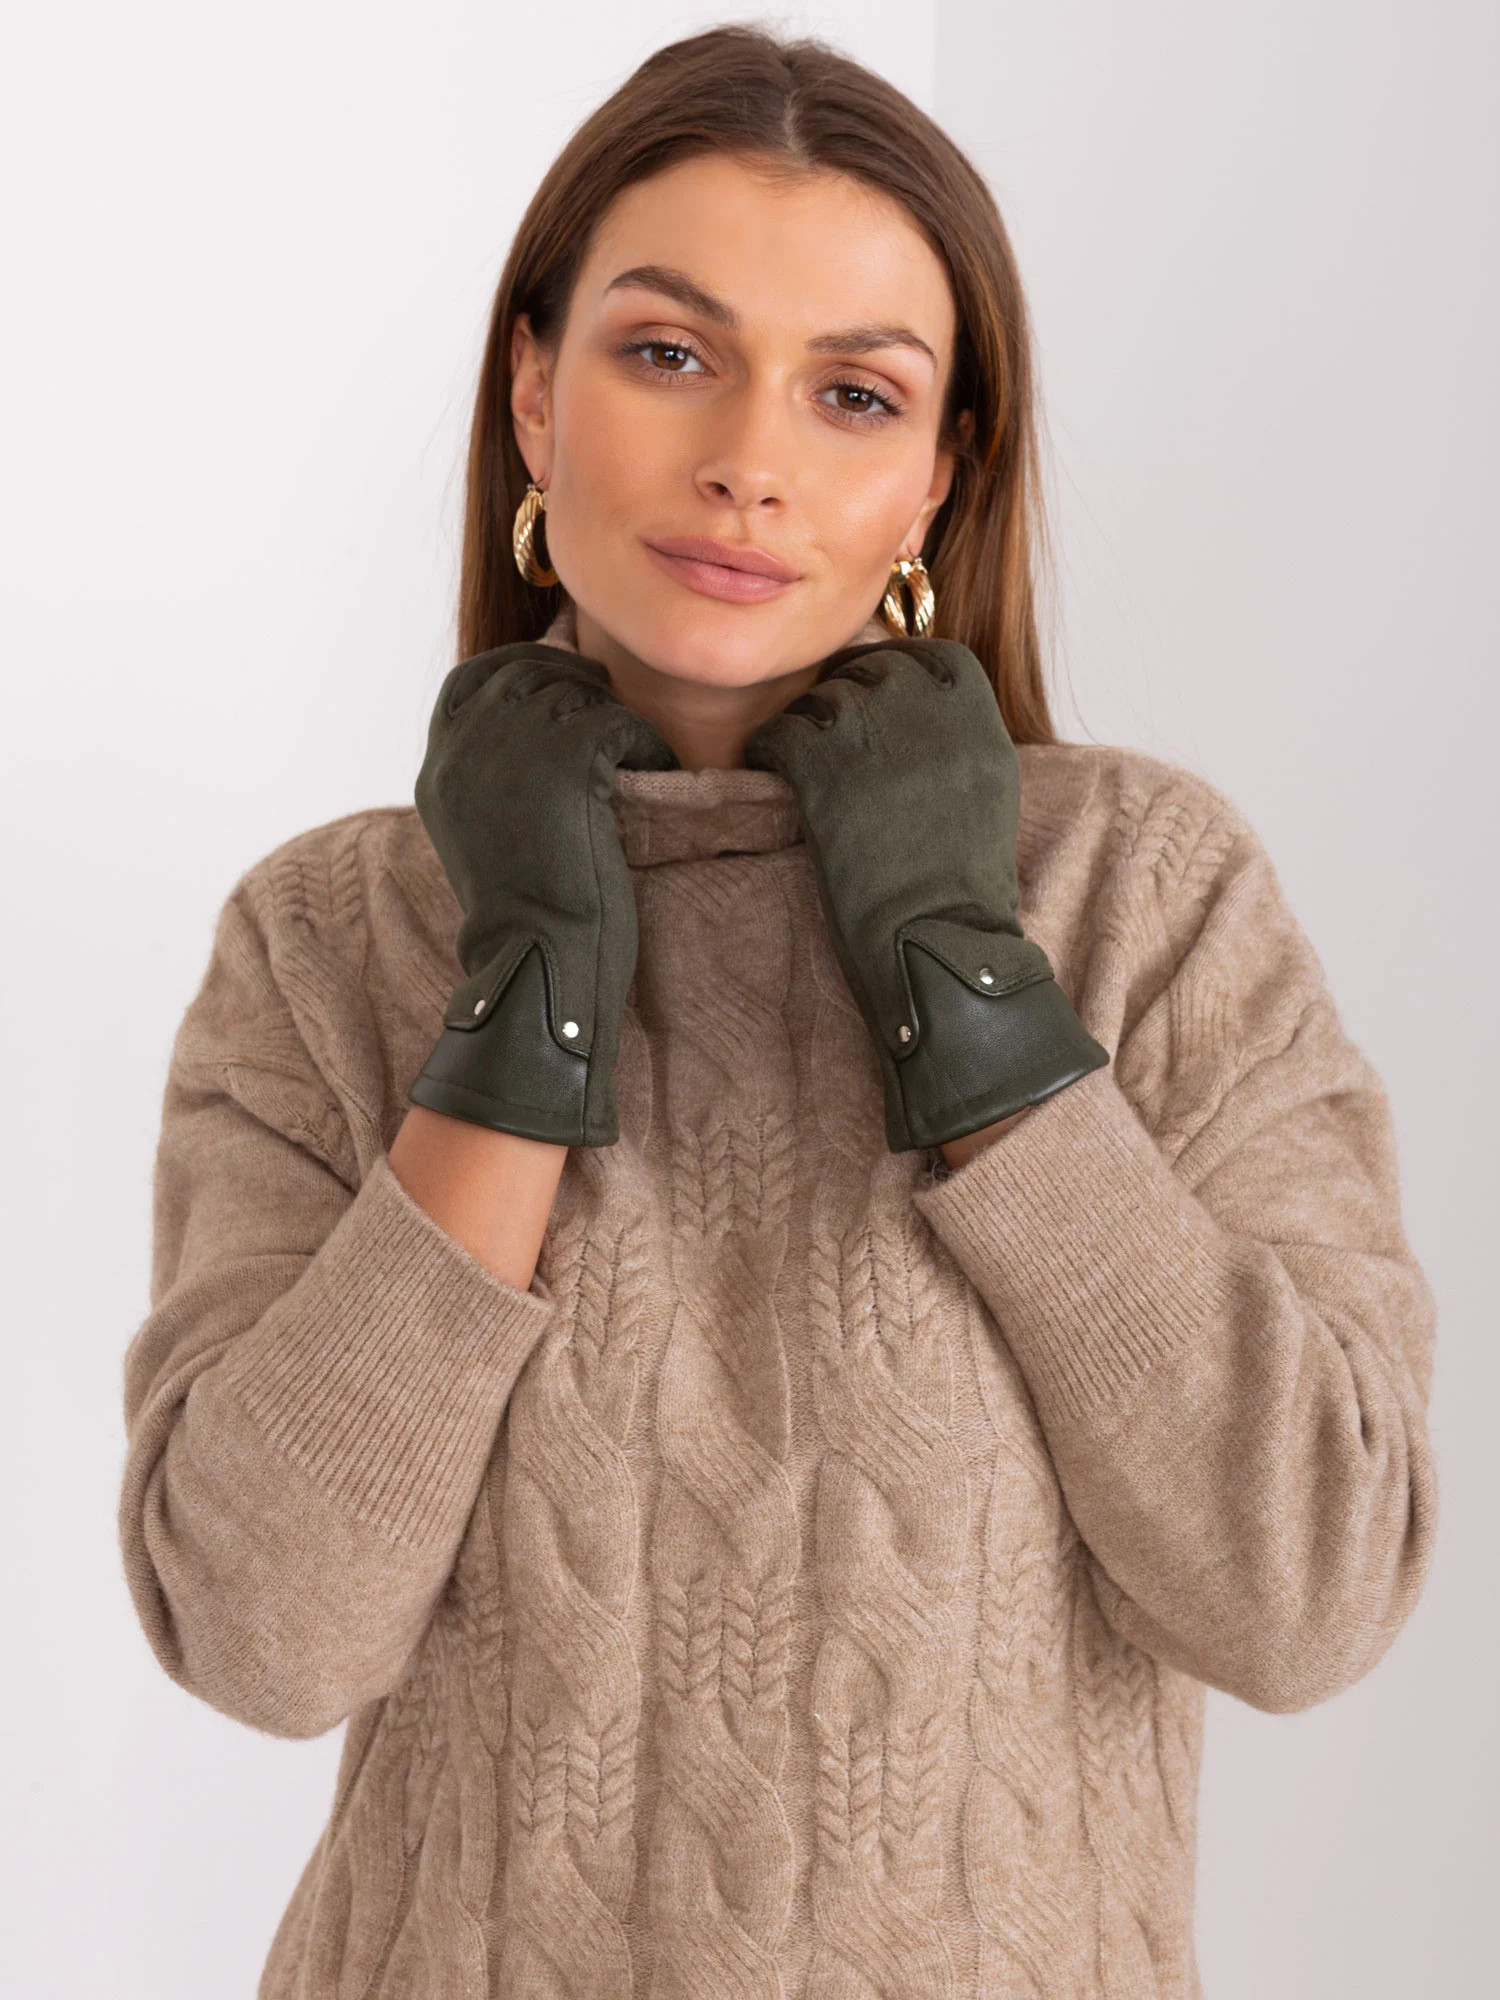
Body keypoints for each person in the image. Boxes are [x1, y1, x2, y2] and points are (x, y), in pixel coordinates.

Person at [116, 25, 1438, 1999]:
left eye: (854, 392)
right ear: (535, 391)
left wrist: (965, 979)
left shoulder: (1147, 896)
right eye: (670, 352)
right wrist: (528, 986)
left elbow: (1306, 1594)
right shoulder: (326, 939)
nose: (751, 456)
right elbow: (261, 1636)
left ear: (938, 473)